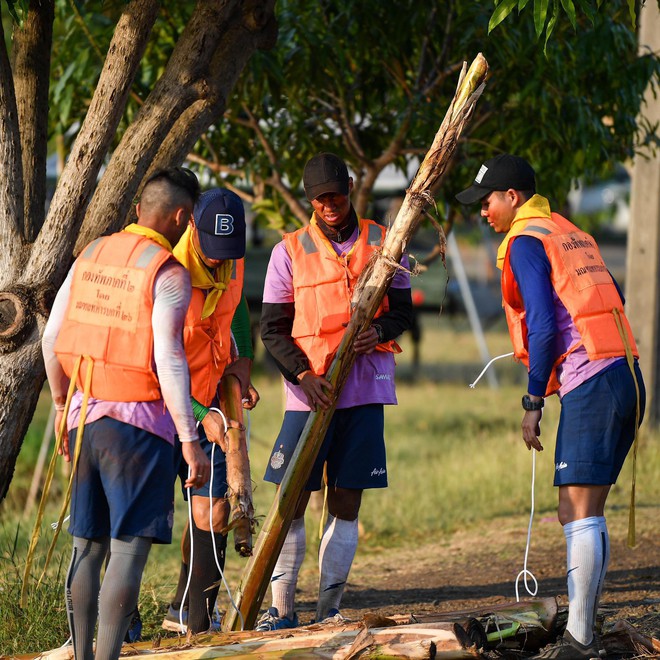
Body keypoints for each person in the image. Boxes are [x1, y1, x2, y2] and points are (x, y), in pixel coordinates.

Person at [456, 154, 645, 660]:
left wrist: (533, 399)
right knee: (582, 510)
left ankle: (581, 640)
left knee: (577, 510)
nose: (483, 212)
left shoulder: (525, 240)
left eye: (488, 201)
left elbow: (541, 324)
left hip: (596, 383)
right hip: (624, 375)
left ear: (512, 197)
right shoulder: (567, 230)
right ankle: (585, 631)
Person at [42, 167, 210, 660]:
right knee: (127, 552)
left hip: (84, 414)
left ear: (138, 210)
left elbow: (52, 338)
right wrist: (189, 439)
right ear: (182, 217)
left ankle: (81, 654)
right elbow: (169, 358)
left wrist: (60, 406)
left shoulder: (90, 255)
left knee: (86, 547)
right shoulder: (167, 272)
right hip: (139, 428)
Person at [257, 152, 414, 630]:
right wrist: (303, 376)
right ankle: (282, 610)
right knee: (293, 498)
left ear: (350, 186)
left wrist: (380, 329)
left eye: (337, 195)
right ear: (309, 198)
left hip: (364, 391)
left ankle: (330, 610)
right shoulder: (288, 251)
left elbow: (404, 312)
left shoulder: (387, 242)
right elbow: (273, 329)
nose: (330, 205)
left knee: (347, 501)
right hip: (309, 394)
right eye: (320, 198)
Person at [162, 188, 259, 634]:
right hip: (162, 405)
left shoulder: (231, 257)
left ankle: (192, 618)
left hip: (212, 401)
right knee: (146, 519)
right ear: (190, 228)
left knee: (214, 514)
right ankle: (118, 619)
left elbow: (235, 313)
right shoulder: (168, 270)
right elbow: (160, 361)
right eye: (212, 250)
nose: (220, 261)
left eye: (228, 251)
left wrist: (241, 373)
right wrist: (201, 413)